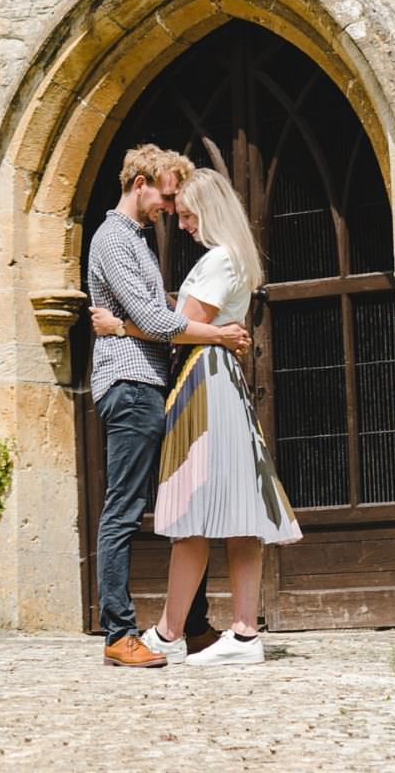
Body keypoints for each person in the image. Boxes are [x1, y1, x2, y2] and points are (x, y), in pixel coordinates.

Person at [96, 164, 301, 664]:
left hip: (203, 380)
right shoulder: (227, 259)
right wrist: (212, 331)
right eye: (176, 212)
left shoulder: (219, 261)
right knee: (226, 507)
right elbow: (181, 320)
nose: (180, 223)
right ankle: (232, 632)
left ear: (207, 211)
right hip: (208, 377)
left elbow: (177, 325)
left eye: (186, 214)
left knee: (196, 506)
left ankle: (174, 633)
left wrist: (121, 327)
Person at [85, 145, 250, 668]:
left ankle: (193, 626)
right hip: (129, 386)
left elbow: (155, 314)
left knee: (186, 506)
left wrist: (133, 322)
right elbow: (157, 322)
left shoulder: (135, 241)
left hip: (150, 384)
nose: (170, 207)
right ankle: (117, 632)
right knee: (124, 510)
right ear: (140, 184)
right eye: (167, 193)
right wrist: (219, 336)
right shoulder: (113, 238)